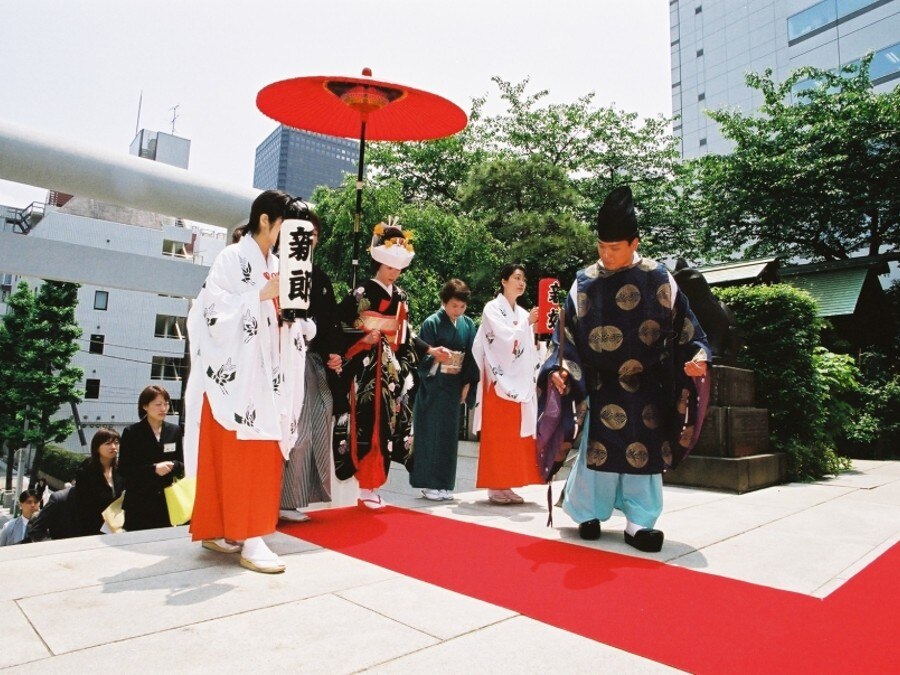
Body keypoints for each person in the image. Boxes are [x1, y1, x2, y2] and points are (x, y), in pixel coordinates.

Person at [543, 185, 710, 552]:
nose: (606, 254)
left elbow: (688, 327)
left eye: (614, 247)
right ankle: (587, 512)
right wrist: (559, 368)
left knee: (644, 455)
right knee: (595, 454)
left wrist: (698, 357)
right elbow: (564, 335)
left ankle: (640, 522)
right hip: (600, 383)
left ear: (635, 242)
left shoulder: (659, 278)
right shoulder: (584, 281)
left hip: (646, 382)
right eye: (601, 246)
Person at [184, 189, 312, 574]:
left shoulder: (276, 263)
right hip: (237, 378)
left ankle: (226, 529)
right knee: (240, 457)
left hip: (266, 373)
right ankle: (250, 536)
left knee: (253, 455)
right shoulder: (231, 258)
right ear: (265, 221)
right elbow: (210, 310)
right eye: (282, 227)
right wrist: (260, 294)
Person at [333, 218, 422, 510]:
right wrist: (363, 337)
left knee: (387, 426)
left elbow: (404, 334)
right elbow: (341, 325)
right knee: (367, 424)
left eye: (397, 268)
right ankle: (364, 484)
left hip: (391, 368)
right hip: (366, 367)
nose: (394, 273)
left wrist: (405, 364)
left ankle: (373, 484)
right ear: (379, 265)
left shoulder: (401, 297)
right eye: (389, 267)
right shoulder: (361, 294)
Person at [279, 203, 343, 523]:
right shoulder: (281, 268)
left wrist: (334, 351)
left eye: (315, 233)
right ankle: (283, 499)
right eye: (305, 231)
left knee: (317, 421)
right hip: (288, 360)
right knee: (297, 429)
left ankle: (297, 496)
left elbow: (330, 321)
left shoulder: (319, 276)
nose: (311, 238)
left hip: (313, 360)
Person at [472, 263, 544, 505]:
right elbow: (501, 341)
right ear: (504, 281)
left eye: (524, 278)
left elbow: (530, 345)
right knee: (498, 434)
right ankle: (495, 486)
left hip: (520, 382)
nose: (521, 282)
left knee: (515, 436)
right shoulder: (492, 308)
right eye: (516, 277)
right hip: (499, 379)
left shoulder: (523, 314)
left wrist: (533, 333)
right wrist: (526, 327)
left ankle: (508, 484)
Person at [409, 279, 480, 500]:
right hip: (434, 383)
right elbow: (419, 353)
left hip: (455, 385)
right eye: (453, 306)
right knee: (430, 433)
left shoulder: (468, 324)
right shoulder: (432, 322)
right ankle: (429, 483)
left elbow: (472, 356)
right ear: (444, 302)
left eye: (462, 306)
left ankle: (445, 484)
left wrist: (468, 383)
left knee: (449, 436)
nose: (458, 311)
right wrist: (435, 356)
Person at [118, 385, 185, 531]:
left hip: (166, 501)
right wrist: (153, 469)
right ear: (145, 406)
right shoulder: (132, 432)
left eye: (166, 403)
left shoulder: (175, 430)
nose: (164, 408)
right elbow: (124, 469)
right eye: (158, 404)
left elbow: (182, 463)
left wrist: (173, 465)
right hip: (139, 502)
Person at [69, 427, 125, 536]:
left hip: (117, 527)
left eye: (116, 443)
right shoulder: (86, 470)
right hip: (92, 529)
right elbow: (81, 506)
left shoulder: (121, 468)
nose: (113, 447)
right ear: (97, 447)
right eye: (108, 443)